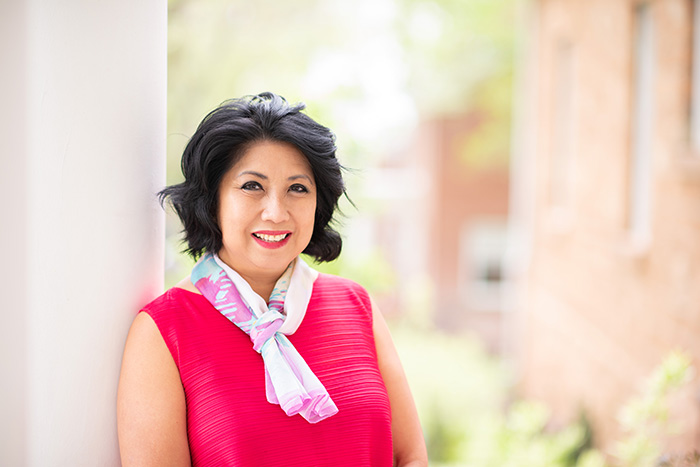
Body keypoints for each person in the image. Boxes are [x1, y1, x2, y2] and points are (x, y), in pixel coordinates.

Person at [117, 92, 428, 466]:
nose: (276, 212)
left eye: (297, 188)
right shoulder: (165, 329)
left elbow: (409, 456)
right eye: (252, 186)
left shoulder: (356, 305)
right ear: (212, 198)